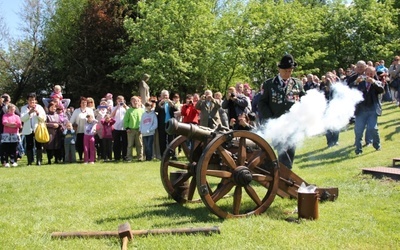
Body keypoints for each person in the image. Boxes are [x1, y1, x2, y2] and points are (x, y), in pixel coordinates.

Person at [258, 54, 305, 169]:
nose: (287, 73)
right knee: (282, 149)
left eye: (290, 71)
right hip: (276, 123)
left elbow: (304, 100)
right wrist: (270, 118)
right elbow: (262, 103)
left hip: (293, 123)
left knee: (291, 149)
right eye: (285, 71)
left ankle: (284, 172)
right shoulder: (269, 84)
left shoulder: (297, 84)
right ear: (279, 69)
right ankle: (286, 173)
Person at [349, 66, 384, 155]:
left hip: (372, 110)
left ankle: (377, 145)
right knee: (358, 131)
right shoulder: (360, 82)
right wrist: (356, 82)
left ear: (374, 73)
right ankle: (358, 150)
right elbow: (349, 88)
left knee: (373, 128)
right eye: (367, 74)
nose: (369, 76)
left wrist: (374, 82)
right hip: (361, 110)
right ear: (365, 73)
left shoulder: (377, 82)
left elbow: (381, 90)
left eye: (371, 74)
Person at [20, 92, 47, 165]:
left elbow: (44, 118)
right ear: (27, 100)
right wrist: (29, 113)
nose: (32, 101)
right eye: (30, 100)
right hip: (28, 129)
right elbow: (22, 119)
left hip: (37, 129)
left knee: (38, 145)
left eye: (33, 100)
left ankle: (39, 160)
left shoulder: (39, 107)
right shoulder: (24, 108)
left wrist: (38, 114)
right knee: (29, 145)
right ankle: (30, 161)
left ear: (35, 100)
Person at [69, 97, 95, 162]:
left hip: (89, 132)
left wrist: (94, 129)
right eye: (82, 103)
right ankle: (81, 158)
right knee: (80, 145)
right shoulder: (76, 111)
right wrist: (70, 126)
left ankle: (89, 158)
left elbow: (93, 120)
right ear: (80, 104)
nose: (84, 104)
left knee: (89, 145)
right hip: (79, 131)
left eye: (85, 103)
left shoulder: (90, 110)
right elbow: (71, 120)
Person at [155, 90, 178, 159]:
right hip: (162, 124)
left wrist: (172, 104)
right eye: (164, 95)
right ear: (161, 96)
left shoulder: (172, 102)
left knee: (172, 140)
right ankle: (163, 156)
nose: (165, 96)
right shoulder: (158, 103)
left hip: (170, 124)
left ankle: (173, 155)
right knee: (162, 140)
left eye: (166, 95)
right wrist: (160, 104)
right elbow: (156, 111)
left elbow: (176, 110)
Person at [124, 96, 145, 162]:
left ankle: (140, 157)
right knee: (130, 145)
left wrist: (142, 128)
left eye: (137, 101)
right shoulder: (129, 111)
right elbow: (125, 120)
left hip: (139, 129)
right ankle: (129, 157)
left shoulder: (142, 110)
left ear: (139, 102)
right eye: (134, 101)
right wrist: (127, 128)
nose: (135, 102)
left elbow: (143, 121)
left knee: (140, 144)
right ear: (131, 102)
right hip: (131, 130)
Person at [323, 72, 340, 147]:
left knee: (336, 125)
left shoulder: (337, 85)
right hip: (325, 108)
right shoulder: (322, 86)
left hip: (335, 107)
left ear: (334, 78)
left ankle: (335, 141)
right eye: (327, 77)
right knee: (327, 126)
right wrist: (326, 90)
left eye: (330, 77)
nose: (328, 79)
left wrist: (331, 86)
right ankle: (329, 142)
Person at [111, 95, 128, 161]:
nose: (120, 101)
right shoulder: (114, 108)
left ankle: (125, 156)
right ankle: (117, 157)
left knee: (125, 143)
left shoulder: (126, 107)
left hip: (124, 127)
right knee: (116, 143)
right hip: (116, 127)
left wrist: (125, 106)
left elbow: (129, 113)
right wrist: (117, 107)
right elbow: (112, 115)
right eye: (119, 100)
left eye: (122, 100)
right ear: (116, 101)